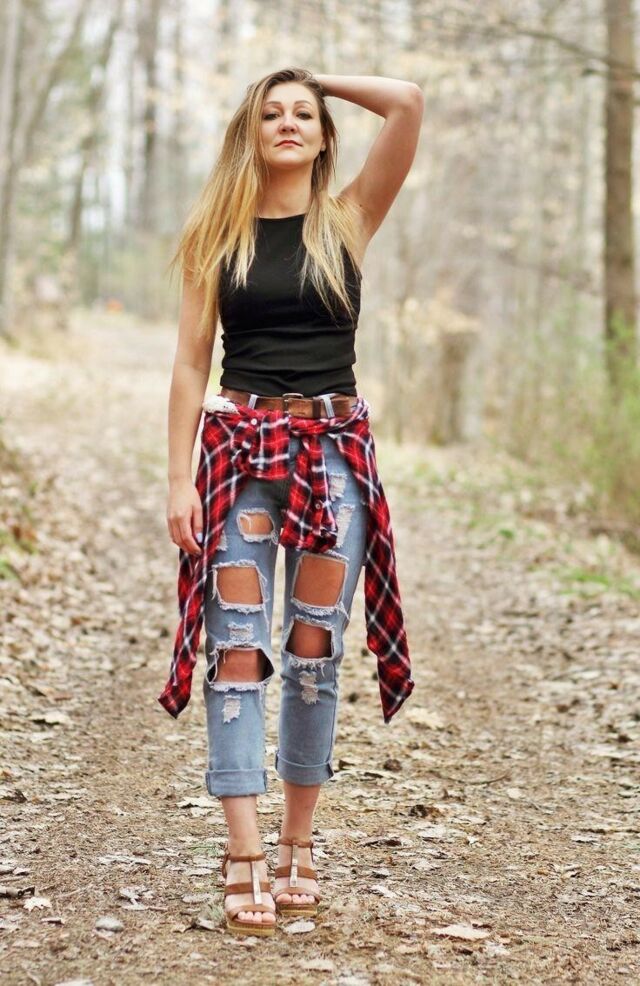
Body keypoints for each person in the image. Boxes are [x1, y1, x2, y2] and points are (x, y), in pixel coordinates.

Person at [161, 67, 424, 936]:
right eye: (271, 112)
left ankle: (296, 843)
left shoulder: (347, 220)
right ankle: (242, 851)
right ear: (250, 129)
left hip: (333, 456)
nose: (287, 122)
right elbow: (191, 362)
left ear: (322, 133)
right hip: (240, 456)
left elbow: (407, 102)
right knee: (236, 651)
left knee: (314, 651)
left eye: (303, 113)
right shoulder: (217, 234)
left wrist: (316, 76)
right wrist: (176, 478)